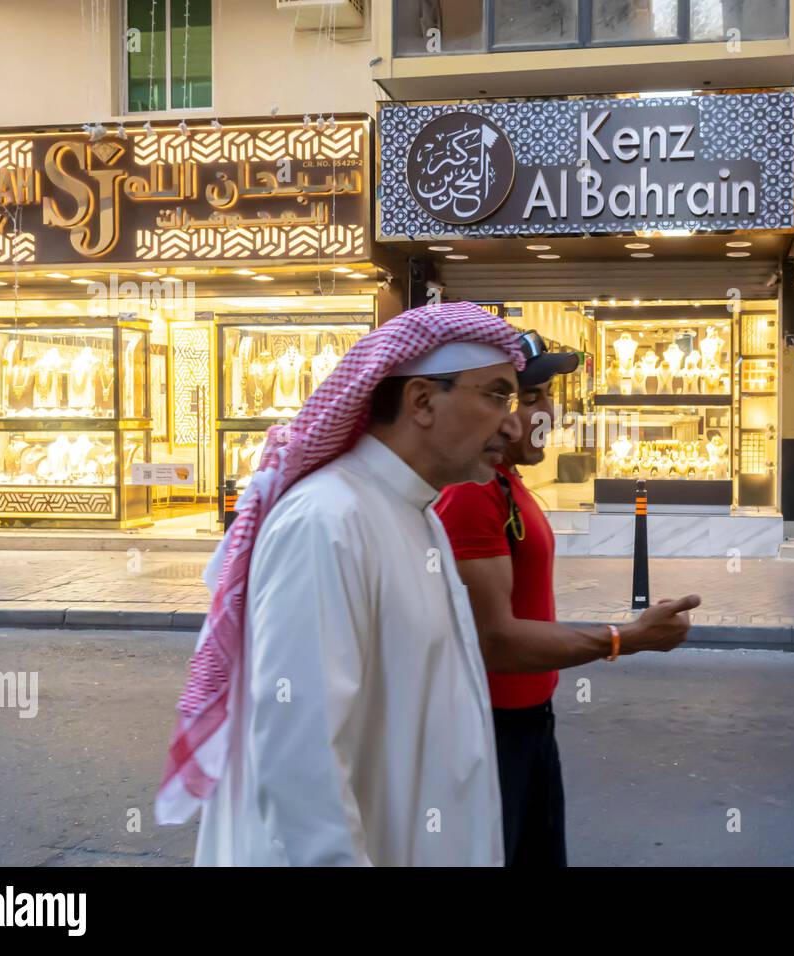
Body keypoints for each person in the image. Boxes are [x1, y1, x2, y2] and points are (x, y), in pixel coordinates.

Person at [155, 301, 528, 867]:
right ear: (422, 401)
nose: (513, 423)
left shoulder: (413, 511)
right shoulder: (328, 521)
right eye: (496, 395)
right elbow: (300, 760)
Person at [436, 329, 701, 867]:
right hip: (489, 730)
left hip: (529, 719)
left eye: (544, 397)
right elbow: (496, 641)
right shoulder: (470, 494)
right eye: (527, 398)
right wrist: (628, 638)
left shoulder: (504, 481)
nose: (546, 414)